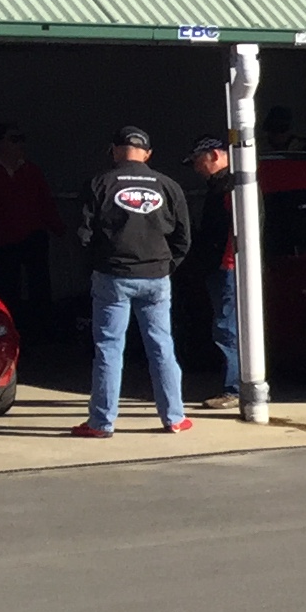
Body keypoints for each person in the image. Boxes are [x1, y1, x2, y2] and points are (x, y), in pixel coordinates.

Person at [70, 126, 193, 439]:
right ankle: (174, 417)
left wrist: (96, 266)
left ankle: (101, 422)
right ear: (148, 154)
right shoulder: (168, 185)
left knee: (109, 349)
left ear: (114, 150)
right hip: (156, 277)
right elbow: (183, 237)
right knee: (162, 346)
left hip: (113, 277)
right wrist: (166, 266)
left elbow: (83, 235)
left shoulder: (98, 183)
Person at [0, 122, 63, 335]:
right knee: (7, 289)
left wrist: (60, 231)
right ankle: (12, 333)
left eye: (21, 139)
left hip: (32, 237)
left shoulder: (31, 170)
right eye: (13, 139)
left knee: (40, 286)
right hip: (0, 241)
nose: (19, 144)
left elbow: (45, 203)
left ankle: (42, 334)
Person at [174, 132, 240, 404]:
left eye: (198, 161)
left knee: (228, 327)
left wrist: (216, 262)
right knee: (225, 326)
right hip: (220, 267)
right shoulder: (221, 187)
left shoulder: (232, 187)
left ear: (215, 155)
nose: (197, 169)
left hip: (227, 268)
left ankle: (234, 389)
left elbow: (233, 232)